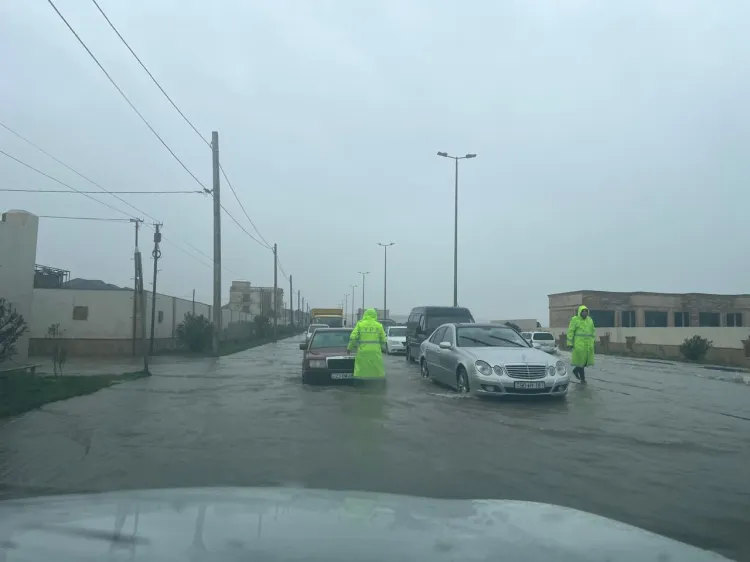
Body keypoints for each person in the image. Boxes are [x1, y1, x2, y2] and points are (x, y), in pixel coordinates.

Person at [347, 308, 386, 380]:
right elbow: (384, 340)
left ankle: (361, 382)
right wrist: (378, 346)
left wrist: (349, 348)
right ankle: (376, 383)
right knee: (376, 370)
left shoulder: (360, 324)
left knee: (361, 369)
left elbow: (353, 338)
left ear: (365, 314)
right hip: (375, 352)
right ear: (375, 315)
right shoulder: (379, 325)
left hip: (363, 352)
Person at [567, 305, 595, 383]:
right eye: (583, 311)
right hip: (578, 344)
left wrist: (593, 341)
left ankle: (575, 370)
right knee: (581, 362)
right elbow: (570, 331)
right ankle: (583, 379)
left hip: (588, 344)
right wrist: (570, 343)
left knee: (585, 362)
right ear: (580, 312)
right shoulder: (575, 320)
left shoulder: (590, 320)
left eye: (586, 311)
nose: (585, 313)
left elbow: (593, 331)